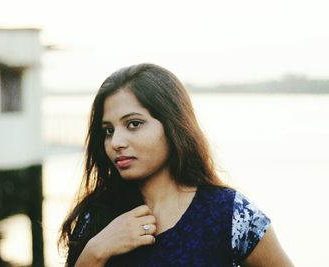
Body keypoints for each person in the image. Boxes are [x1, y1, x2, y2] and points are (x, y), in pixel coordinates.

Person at [58, 63, 293, 266]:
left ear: (173, 126)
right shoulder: (96, 216)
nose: (116, 142)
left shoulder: (231, 215)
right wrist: (96, 252)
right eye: (108, 130)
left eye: (133, 124)